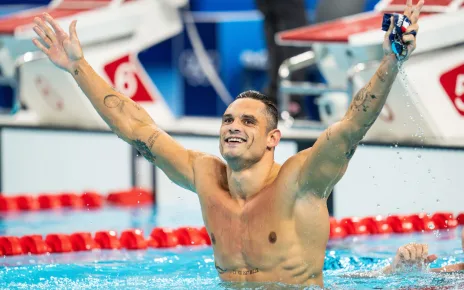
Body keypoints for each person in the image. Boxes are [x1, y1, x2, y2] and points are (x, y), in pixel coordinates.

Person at [30, 0, 423, 287]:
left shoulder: (300, 181)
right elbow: (136, 126)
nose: (233, 127)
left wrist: (392, 59)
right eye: (228, 120)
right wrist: (77, 67)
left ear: (273, 139)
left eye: (248, 121)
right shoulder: (205, 175)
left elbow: (352, 125)